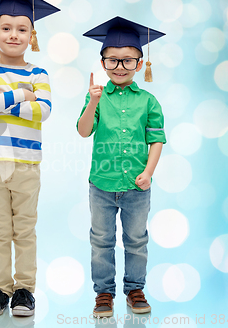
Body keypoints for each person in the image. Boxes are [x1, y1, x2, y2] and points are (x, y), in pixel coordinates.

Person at [0, 0, 59, 316]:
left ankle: (24, 290)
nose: (13, 35)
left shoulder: (40, 73)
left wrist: (3, 96)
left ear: (32, 35)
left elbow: (45, 111)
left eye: (22, 29)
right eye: (6, 28)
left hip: (26, 164)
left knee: (24, 228)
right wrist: (24, 95)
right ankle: (0, 290)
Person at [77, 16, 166, 317]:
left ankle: (135, 289)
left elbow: (156, 140)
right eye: (112, 61)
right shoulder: (98, 98)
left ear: (140, 64)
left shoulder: (149, 101)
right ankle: (104, 293)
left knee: (136, 239)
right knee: (101, 240)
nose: (119, 67)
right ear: (103, 63)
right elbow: (83, 130)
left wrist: (149, 172)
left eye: (128, 61)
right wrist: (91, 102)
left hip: (137, 186)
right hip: (102, 184)